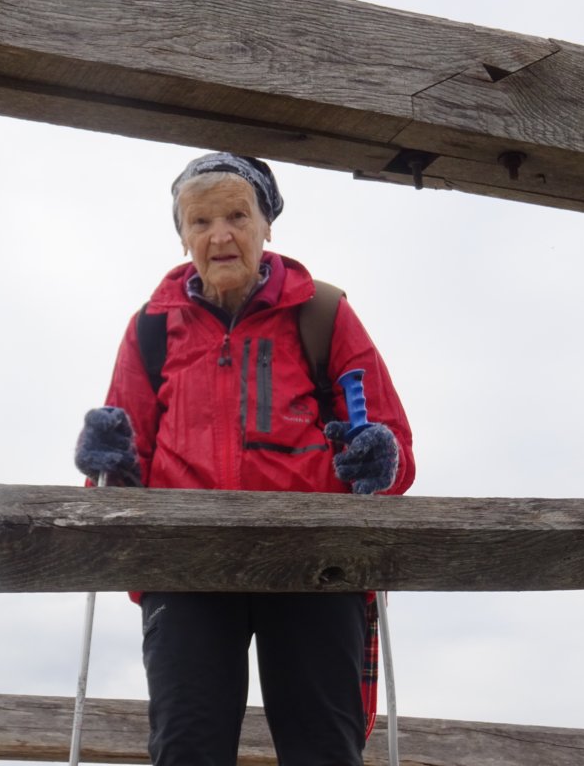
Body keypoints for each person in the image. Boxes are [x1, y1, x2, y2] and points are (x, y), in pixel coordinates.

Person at [75, 152, 415, 766]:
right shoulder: (151, 328)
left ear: (267, 225)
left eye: (236, 216)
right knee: (186, 750)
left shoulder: (323, 313)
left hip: (315, 560)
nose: (220, 236)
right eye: (200, 221)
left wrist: (378, 460)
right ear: (183, 236)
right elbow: (120, 469)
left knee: (324, 751)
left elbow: (392, 444)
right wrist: (108, 466)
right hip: (183, 562)